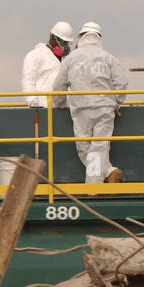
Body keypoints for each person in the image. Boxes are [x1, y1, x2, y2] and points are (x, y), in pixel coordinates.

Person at [51, 21, 127, 183]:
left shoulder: (71, 59)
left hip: (81, 109)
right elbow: (122, 83)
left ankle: (94, 186)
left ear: (81, 37)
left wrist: (58, 105)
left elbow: (59, 86)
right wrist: (116, 103)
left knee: (83, 146)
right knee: (100, 146)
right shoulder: (109, 58)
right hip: (105, 108)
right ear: (99, 37)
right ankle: (108, 171)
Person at [21, 21, 75, 108]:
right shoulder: (36, 54)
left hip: (64, 108)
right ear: (52, 37)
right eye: (62, 42)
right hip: (44, 108)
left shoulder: (65, 60)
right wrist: (33, 102)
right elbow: (28, 80)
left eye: (66, 43)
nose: (64, 46)